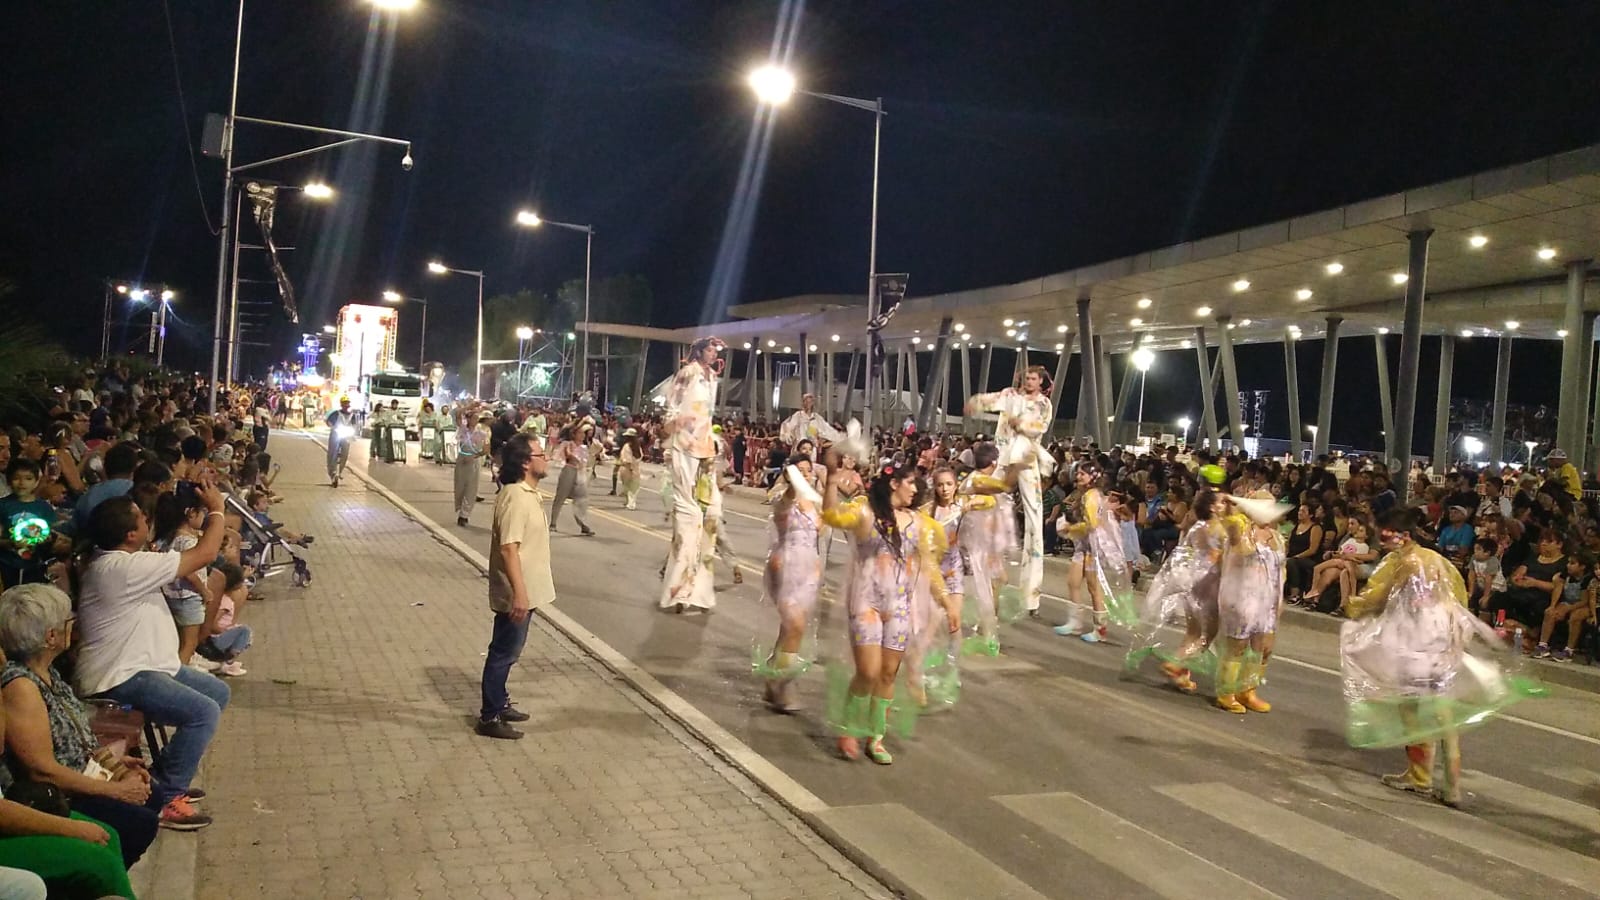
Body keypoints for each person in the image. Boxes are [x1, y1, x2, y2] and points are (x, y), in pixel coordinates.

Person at [1340, 507, 1541, 808]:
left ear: (1402, 535)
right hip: (1444, 634)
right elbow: (1457, 596)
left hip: (1417, 639)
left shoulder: (1404, 562)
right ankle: (1451, 786)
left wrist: (1352, 601)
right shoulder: (1436, 559)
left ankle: (1419, 776)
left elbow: (1379, 599)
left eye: (1385, 535)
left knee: (1411, 707)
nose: (1382, 541)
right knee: (1443, 713)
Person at [76, 491, 230, 830]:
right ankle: (167, 800)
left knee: (217, 693)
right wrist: (217, 509)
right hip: (120, 675)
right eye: (142, 518)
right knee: (203, 712)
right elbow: (205, 553)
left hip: (147, 666)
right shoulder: (122, 567)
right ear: (131, 534)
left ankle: (160, 779)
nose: (149, 520)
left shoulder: (124, 560)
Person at [0, 583, 159, 867]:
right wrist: (114, 790)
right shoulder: (21, 687)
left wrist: (117, 768)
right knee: (138, 822)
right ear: (51, 636)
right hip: (56, 796)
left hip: (79, 778)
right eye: (68, 621)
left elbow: (77, 739)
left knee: (152, 793)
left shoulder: (48, 674)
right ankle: (99, 879)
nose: (73, 626)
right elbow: (41, 770)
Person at [822, 464, 950, 765]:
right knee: (868, 671)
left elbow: (930, 561)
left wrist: (945, 599)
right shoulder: (864, 511)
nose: (915, 490)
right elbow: (831, 516)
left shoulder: (919, 522)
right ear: (894, 484)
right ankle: (849, 728)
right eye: (911, 483)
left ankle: (875, 736)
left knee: (888, 673)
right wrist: (831, 482)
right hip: (866, 602)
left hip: (900, 606)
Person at [477, 434, 556, 740]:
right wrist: (519, 594)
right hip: (516, 592)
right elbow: (509, 548)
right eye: (540, 454)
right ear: (525, 462)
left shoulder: (528, 493)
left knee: (510, 651)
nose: (545, 459)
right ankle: (490, 716)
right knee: (503, 652)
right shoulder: (515, 497)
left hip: (527, 589)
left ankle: (500, 701)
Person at [965, 366, 1055, 616]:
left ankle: (1031, 596)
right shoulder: (1010, 395)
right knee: (979, 494)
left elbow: (1040, 427)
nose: (1029, 381)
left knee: (1035, 519)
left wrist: (1021, 423)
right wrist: (974, 403)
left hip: (1026, 457)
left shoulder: (1044, 403)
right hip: (1002, 456)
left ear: (1041, 382)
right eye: (1026, 377)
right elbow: (989, 400)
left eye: (1033, 378)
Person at [1128, 487, 1226, 694]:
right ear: (1212, 507)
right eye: (1222, 502)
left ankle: (1181, 674)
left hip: (1192, 583)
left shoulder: (1197, 526)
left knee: (1193, 631)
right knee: (1207, 635)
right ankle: (1176, 662)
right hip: (1209, 584)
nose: (1226, 505)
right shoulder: (1219, 529)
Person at [659, 338, 726, 614]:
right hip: (685, 444)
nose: (713, 354)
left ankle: (699, 590)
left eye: (715, 351)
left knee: (711, 515)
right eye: (709, 350)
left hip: (705, 446)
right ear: (699, 351)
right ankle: (679, 588)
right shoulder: (688, 373)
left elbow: (708, 413)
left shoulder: (712, 378)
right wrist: (674, 423)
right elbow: (672, 405)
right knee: (689, 516)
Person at [755, 462, 823, 714]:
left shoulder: (814, 503)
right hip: (786, 567)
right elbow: (786, 501)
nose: (806, 474)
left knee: (789, 629)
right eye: (799, 470)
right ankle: (783, 685)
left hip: (809, 570)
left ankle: (772, 678)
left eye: (808, 470)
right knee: (795, 626)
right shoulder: (783, 498)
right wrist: (795, 481)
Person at [1212, 490, 1287, 714]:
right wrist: (1229, 506)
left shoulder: (1277, 537)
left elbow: (1281, 570)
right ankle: (1226, 693)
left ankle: (1247, 691)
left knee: (1263, 647)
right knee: (1238, 645)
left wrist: (1279, 600)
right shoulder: (1242, 529)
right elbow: (1230, 526)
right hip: (1243, 596)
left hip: (1267, 599)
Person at [548, 421, 596, 536]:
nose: (582, 435)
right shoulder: (568, 444)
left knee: (581, 500)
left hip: (581, 473)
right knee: (560, 497)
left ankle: (583, 525)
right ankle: (553, 523)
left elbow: (591, 457)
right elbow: (568, 455)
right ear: (574, 434)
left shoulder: (585, 447)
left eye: (583, 433)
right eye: (579, 433)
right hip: (569, 470)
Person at [453, 406, 490, 528]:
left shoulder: (482, 434)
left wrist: (475, 455)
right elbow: (458, 413)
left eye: (476, 418)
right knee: (459, 487)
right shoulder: (463, 430)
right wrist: (470, 406)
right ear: (468, 419)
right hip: (461, 459)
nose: (475, 420)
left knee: (471, 488)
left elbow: (486, 449)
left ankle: (464, 515)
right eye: (473, 418)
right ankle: (460, 507)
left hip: (473, 461)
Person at [325, 396, 357, 486]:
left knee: (345, 454)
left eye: (347, 403)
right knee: (332, 453)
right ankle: (332, 473)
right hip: (336, 434)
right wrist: (332, 426)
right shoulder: (336, 413)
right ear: (341, 404)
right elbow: (329, 422)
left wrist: (353, 431)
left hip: (346, 435)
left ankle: (340, 471)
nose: (346, 405)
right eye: (344, 403)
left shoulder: (352, 415)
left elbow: (354, 425)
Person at [616, 429, 643, 510]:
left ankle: (630, 503)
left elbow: (627, 459)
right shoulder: (638, 447)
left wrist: (629, 467)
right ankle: (630, 502)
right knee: (633, 487)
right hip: (636, 469)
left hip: (626, 468)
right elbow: (640, 456)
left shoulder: (627, 446)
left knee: (627, 486)